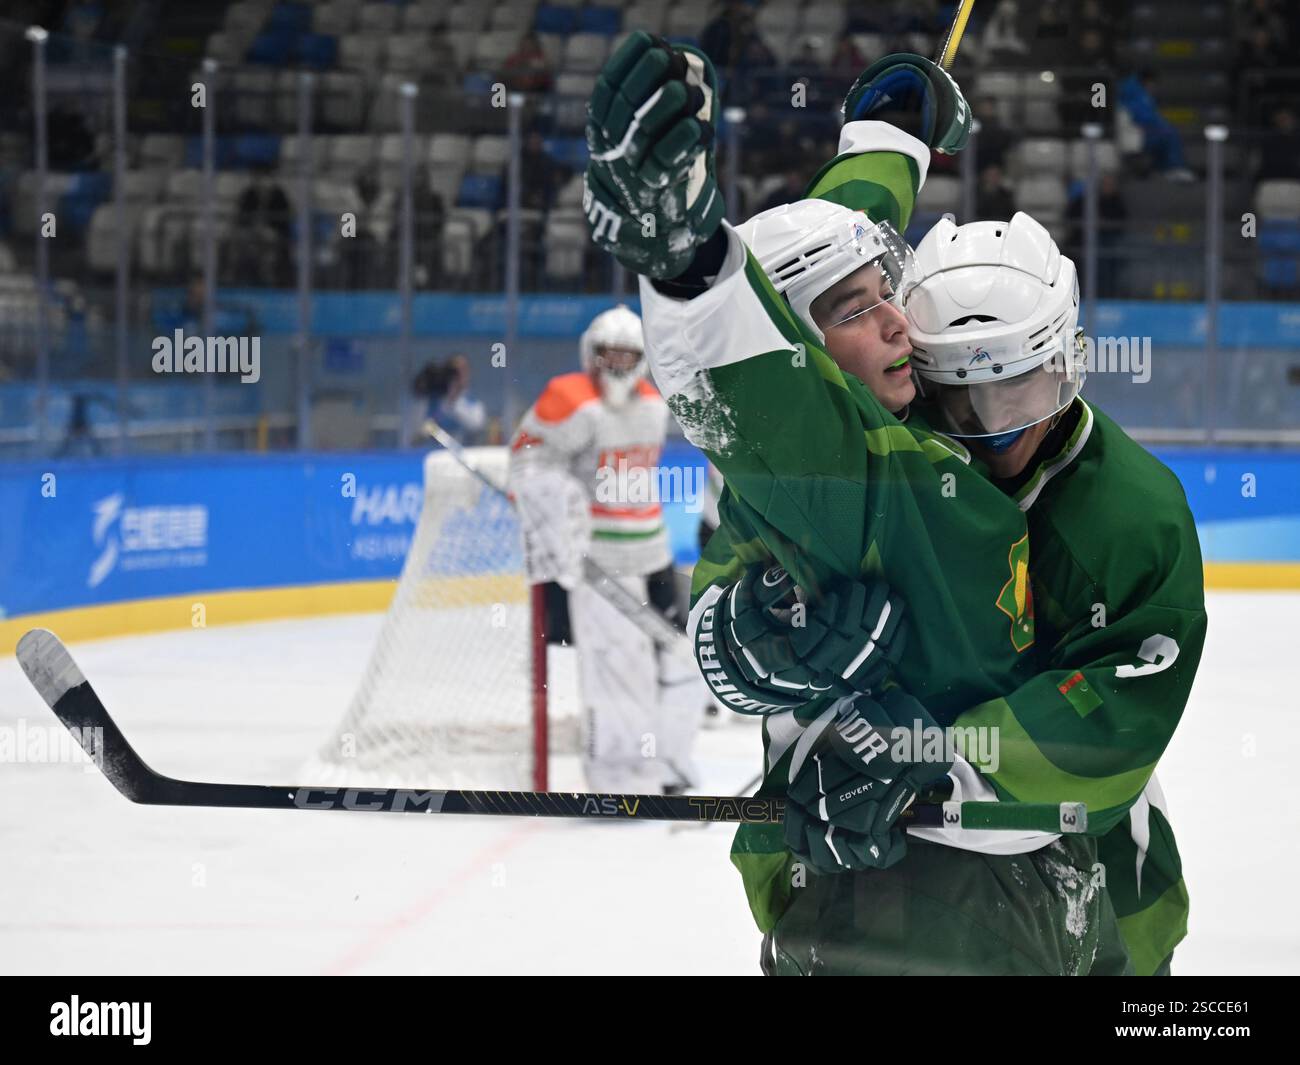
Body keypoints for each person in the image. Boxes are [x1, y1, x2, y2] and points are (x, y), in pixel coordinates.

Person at [585, 33, 1203, 975]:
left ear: (1071, 360)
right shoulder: (886, 456)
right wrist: (740, 646)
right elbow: (809, 301)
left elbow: (1115, 720)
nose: (1001, 431)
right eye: (965, 396)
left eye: (1027, 390)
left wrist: (938, 766)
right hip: (880, 903)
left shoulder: (1133, 511)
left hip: (1093, 894)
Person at [506, 306, 703, 794]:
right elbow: (526, 466)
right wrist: (559, 512)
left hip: (654, 555)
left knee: (688, 657)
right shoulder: (568, 398)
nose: (616, 364)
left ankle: (669, 761)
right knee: (617, 670)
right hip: (601, 566)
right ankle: (619, 777)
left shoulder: (655, 405)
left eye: (627, 355)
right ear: (590, 355)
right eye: (607, 354)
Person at [414, 354, 486, 446]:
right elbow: (423, 430)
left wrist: (454, 403)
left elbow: (476, 426)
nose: (459, 375)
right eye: (455, 371)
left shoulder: (474, 403)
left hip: (465, 455)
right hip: (436, 455)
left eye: (463, 370)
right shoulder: (434, 402)